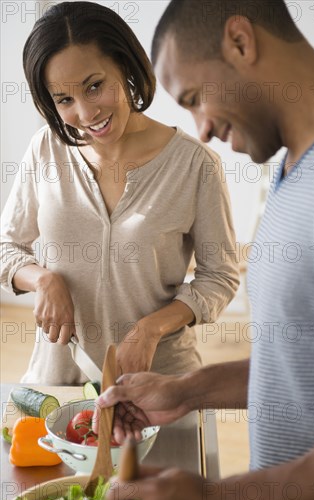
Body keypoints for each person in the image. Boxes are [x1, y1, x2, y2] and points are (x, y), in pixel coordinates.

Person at [95, 0, 314, 500]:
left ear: (240, 42)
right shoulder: (301, 169)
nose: (204, 129)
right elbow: (310, 365)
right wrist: (187, 391)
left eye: (195, 98)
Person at [0, 1, 240, 384]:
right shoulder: (45, 149)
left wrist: (152, 328)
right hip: (60, 379)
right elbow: (6, 248)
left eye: (94, 87)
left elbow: (220, 276)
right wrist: (43, 280)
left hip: (160, 382)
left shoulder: (196, 165)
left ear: (126, 65)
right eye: (65, 100)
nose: (86, 113)